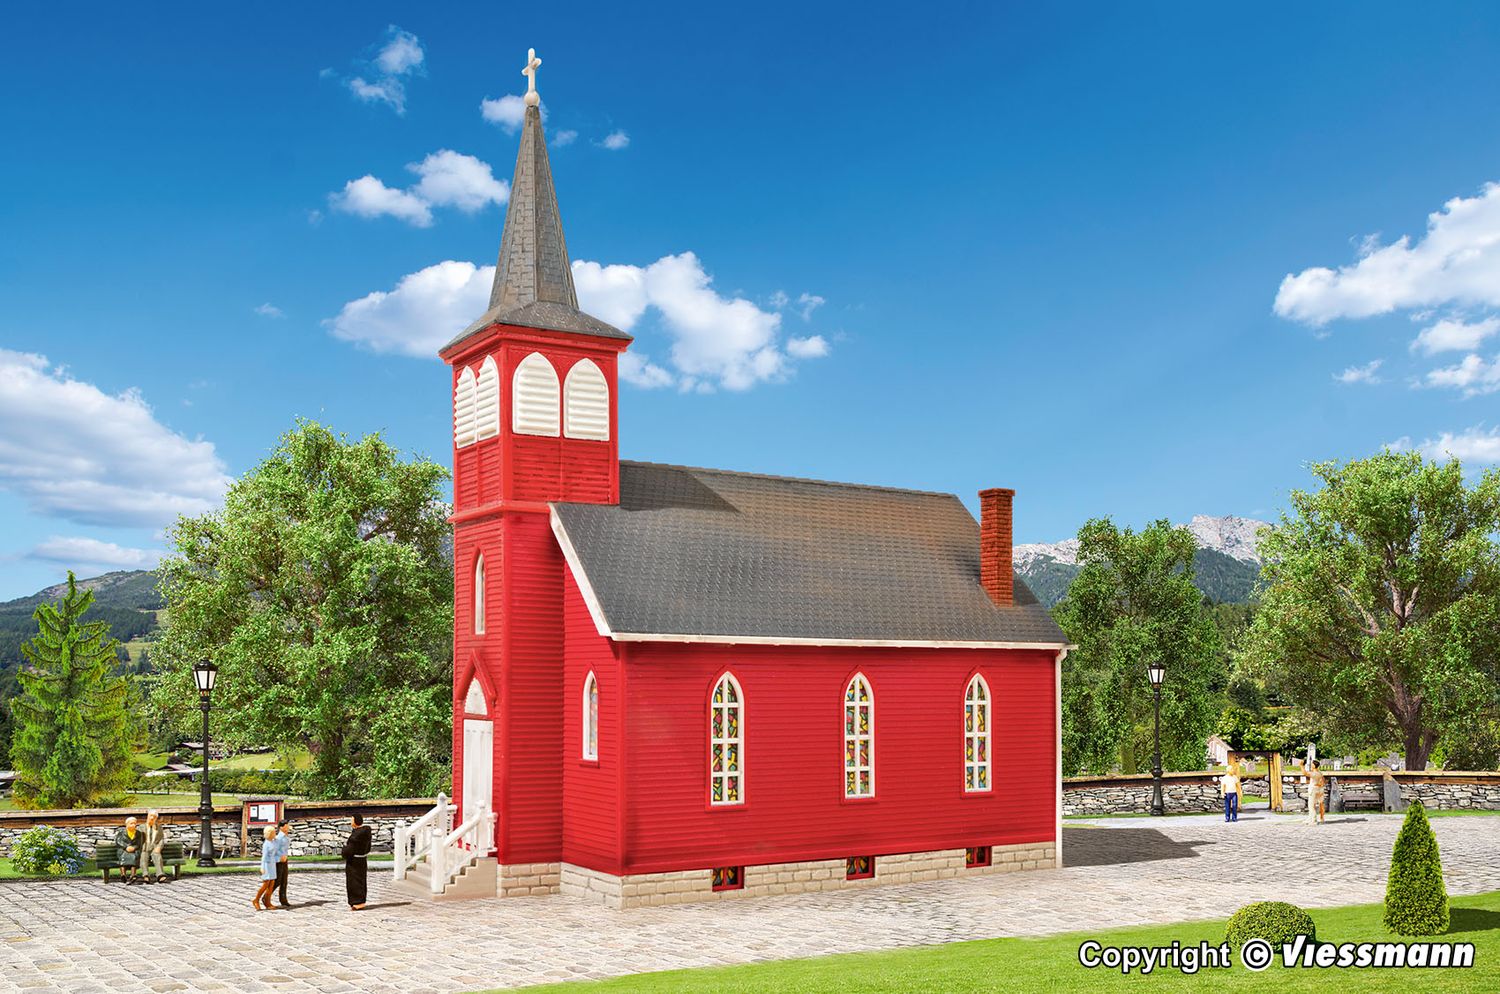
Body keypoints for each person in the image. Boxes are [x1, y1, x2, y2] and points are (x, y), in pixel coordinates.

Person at [342, 813, 373, 910]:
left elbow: (349, 850)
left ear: (355, 821)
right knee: (362, 880)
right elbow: (368, 848)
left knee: (354, 881)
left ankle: (357, 902)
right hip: (362, 859)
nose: (351, 822)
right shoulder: (366, 833)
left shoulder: (355, 836)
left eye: (352, 820)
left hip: (354, 861)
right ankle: (362, 901)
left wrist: (344, 851)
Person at [253, 826, 281, 910]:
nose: (275, 834)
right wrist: (262, 867)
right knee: (266, 884)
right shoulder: (266, 844)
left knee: (271, 884)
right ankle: (256, 900)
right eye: (273, 832)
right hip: (267, 865)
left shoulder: (273, 842)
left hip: (272, 864)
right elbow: (264, 857)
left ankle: (268, 902)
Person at [141, 810, 169, 883]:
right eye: (150, 816)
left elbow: (161, 839)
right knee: (143, 856)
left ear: (156, 818)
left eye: (154, 817)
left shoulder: (159, 827)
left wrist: (159, 847)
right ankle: (145, 875)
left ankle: (160, 875)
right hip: (145, 846)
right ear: (147, 816)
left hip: (154, 846)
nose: (152, 818)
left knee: (157, 855)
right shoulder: (141, 827)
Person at [115, 816, 143, 884]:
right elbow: (118, 841)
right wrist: (126, 847)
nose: (133, 825)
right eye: (131, 823)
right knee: (123, 857)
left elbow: (139, 843)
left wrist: (134, 847)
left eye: (134, 823)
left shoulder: (138, 833)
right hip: (123, 850)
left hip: (134, 850)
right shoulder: (121, 832)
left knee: (135, 857)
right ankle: (123, 875)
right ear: (127, 824)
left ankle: (133, 875)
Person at [274, 820, 293, 908]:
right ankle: (266, 896)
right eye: (286, 826)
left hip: (285, 860)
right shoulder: (279, 838)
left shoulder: (285, 837)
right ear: (281, 827)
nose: (288, 828)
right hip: (279, 861)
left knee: (284, 881)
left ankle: (283, 900)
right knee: (278, 881)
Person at [1310, 760, 1327, 824]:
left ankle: (1314, 819)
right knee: (1321, 804)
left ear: (1314, 765)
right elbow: (1323, 781)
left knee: (1313, 804)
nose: (1311, 765)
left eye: (1311, 764)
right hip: (1321, 789)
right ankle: (1322, 818)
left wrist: (1317, 784)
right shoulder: (1320, 773)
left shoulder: (1314, 773)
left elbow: (1322, 782)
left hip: (1316, 789)